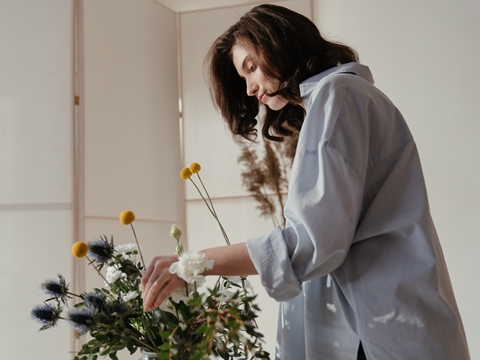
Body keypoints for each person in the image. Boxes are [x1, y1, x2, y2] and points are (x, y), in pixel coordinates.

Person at [142, 4, 470, 359]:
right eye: (243, 79)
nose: (251, 88)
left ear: (277, 42)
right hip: (385, 321)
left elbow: (312, 242)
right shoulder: (344, 98)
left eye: (250, 67)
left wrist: (197, 261)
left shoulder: (338, 96)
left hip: (384, 327)